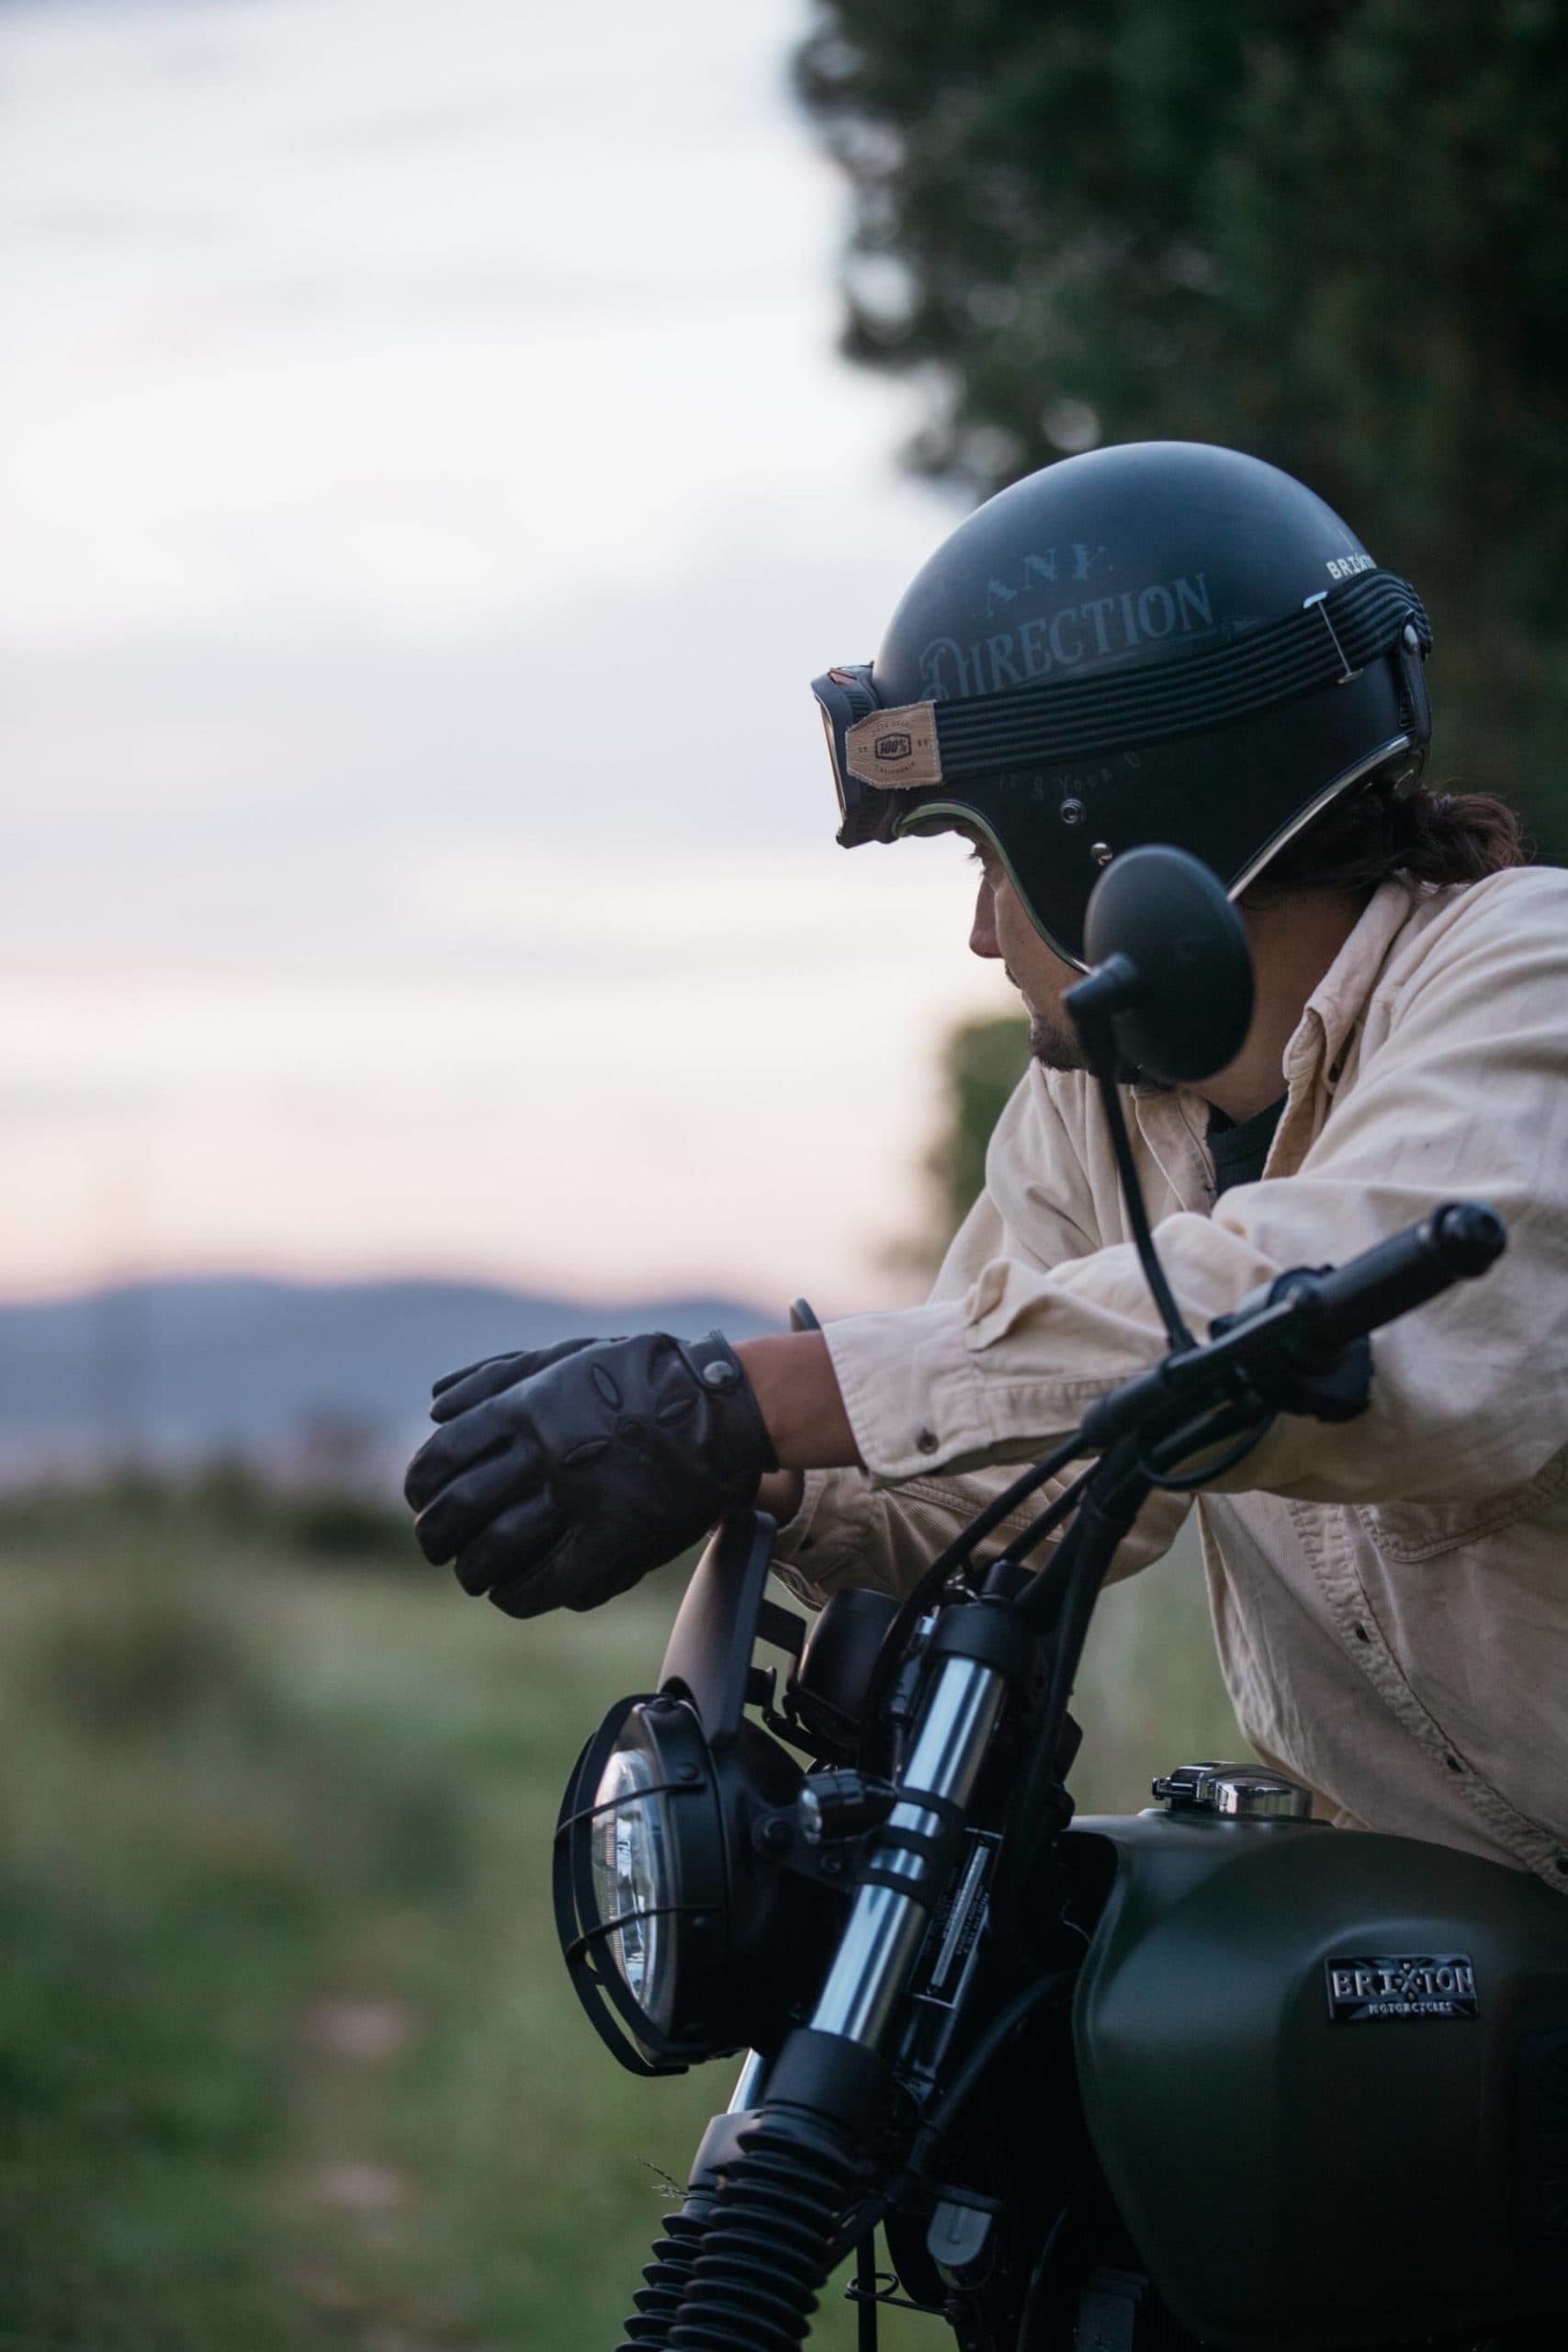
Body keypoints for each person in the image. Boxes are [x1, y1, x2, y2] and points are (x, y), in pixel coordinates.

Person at [405, 440, 1568, 1889]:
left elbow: (1361, 1327)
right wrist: (766, 1476)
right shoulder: (1103, 1106)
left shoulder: (1531, 975)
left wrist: (750, 1396)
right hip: (1445, 1935)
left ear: (1123, 838)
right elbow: (1031, 1467)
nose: (980, 937)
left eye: (985, 864)